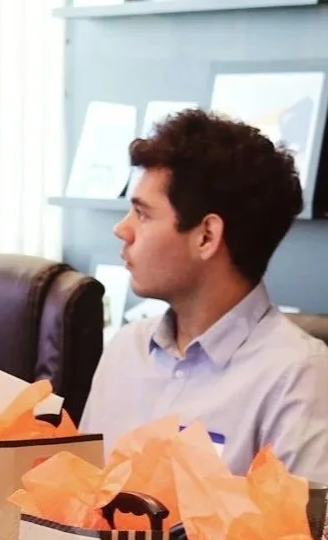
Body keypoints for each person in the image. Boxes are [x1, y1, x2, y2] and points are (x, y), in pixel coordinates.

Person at [81, 109, 328, 485]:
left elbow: (301, 524)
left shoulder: (298, 377)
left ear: (207, 236)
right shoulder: (125, 350)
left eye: (143, 214)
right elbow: (76, 500)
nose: (122, 229)